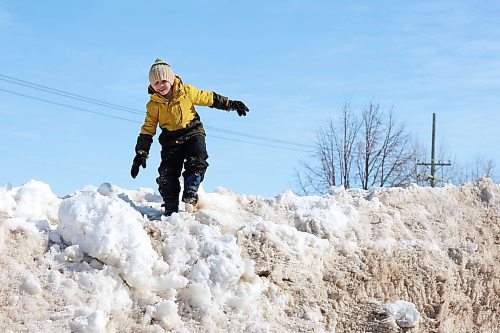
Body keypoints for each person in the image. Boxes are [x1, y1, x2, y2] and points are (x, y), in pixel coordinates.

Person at [130, 58, 249, 216]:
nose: (160, 85)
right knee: (167, 174)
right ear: (151, 86)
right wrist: (141, 152)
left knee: (197, 159)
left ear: (171, 79)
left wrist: (230, 104)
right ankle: (171, 210)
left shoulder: (185, 91)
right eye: (155, 83)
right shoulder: (153, 105)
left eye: (163, 81)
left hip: (192, 133)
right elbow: (148, 129)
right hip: (171, 141)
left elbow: (207, 98)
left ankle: (191, 191)